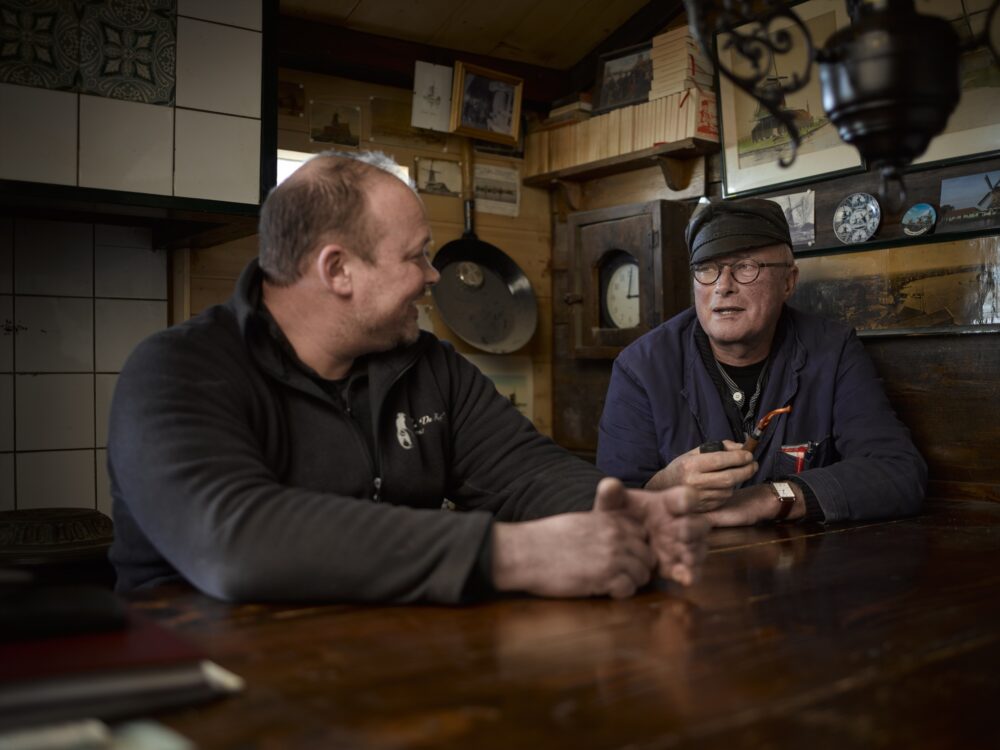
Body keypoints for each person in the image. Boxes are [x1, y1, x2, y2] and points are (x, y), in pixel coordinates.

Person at [107, 151, 710, 604]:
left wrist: (623, 515)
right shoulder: (176, 372)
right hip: (205, 677)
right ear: (338, 270)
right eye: (416, 254)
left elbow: (527, 474)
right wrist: (509, 554)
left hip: (384, 666)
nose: (433, 276)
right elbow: (233, 540)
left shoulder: (429, 365)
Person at [596, 198, 926, 526]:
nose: (722, 286)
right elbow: (612, 505)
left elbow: (898, 472)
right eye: (707, 268)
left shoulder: (833, 351)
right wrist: (667, 484)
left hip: (803, 557)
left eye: (745, 266)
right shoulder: (641, 367)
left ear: (788, 281)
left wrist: (772, 498)